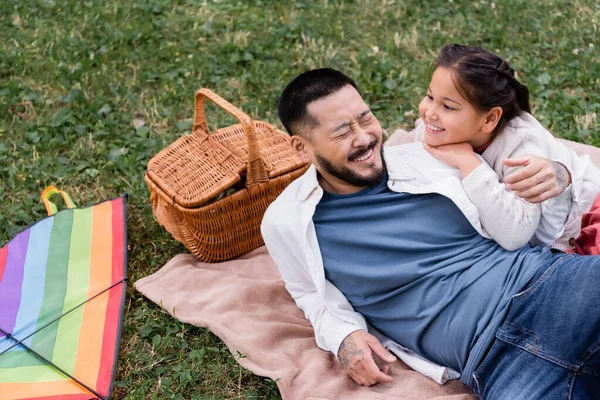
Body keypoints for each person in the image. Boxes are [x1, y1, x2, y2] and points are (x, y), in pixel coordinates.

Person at [261, 68, 600, 399]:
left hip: (550, 290)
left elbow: (517, 152)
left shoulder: (429, 154)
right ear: (301, 148)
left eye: (365, 119)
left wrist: (558, 171)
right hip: (495, 366)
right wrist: (342, 336)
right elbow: (307, 292)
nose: (364, 138)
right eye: (340, 132)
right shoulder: (287, 222)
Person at [413, 43, 600, 251]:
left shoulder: (522, 147)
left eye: (447, 106)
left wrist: (469, 163)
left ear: (489, 119)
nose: (430, 113)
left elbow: (515, 235)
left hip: (587, 219)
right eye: (430, 97)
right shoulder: (434, 129)